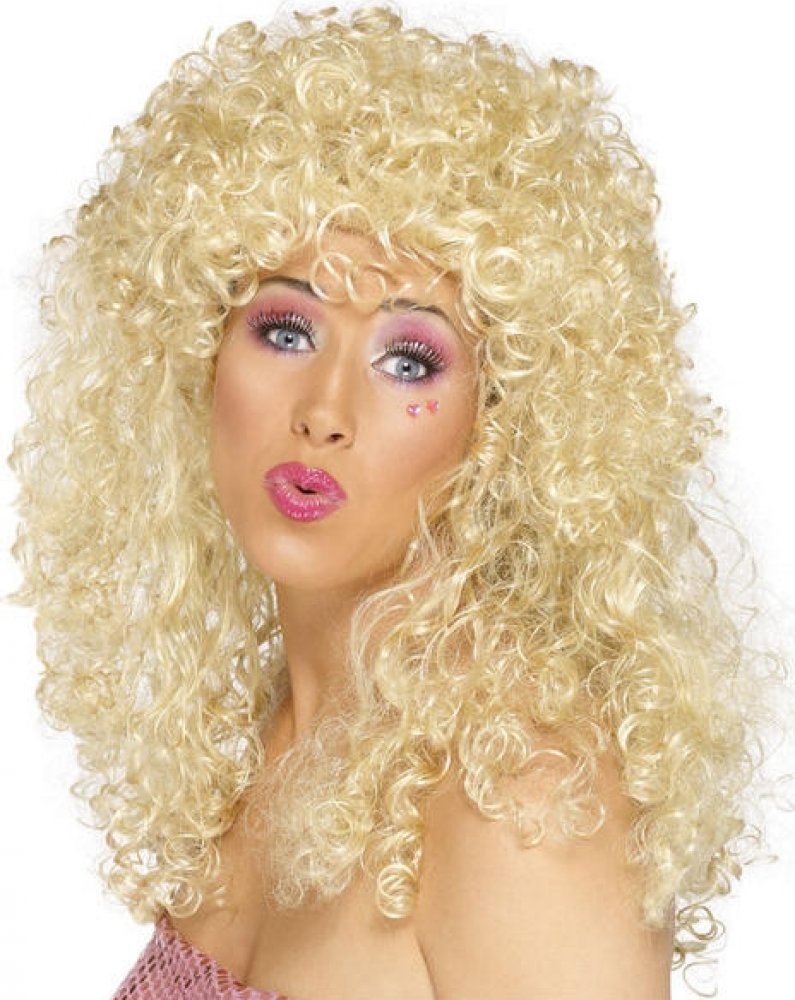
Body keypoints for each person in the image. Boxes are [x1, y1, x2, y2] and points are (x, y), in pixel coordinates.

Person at [11, 6, 784, 998]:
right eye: (286, 330)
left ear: (502, 421)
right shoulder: (282, 734)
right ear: (200, 349)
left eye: (408, 359)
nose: (324, 412)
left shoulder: (520, 794)